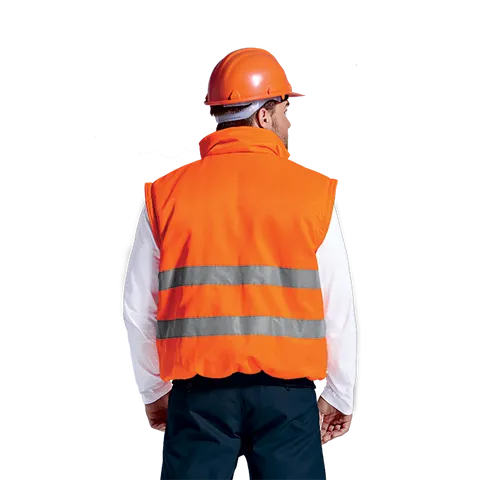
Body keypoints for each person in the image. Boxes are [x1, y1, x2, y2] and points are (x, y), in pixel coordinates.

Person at [122, 45, 358, 480]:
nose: (289, 121)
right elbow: (337, 306)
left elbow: (139, 310)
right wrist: (339, 394)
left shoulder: (166, 195)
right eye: (286, 108)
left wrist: (154, 391)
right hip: (287, 398)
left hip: (197, 397)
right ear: (264, 115)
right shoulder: (311, 193)